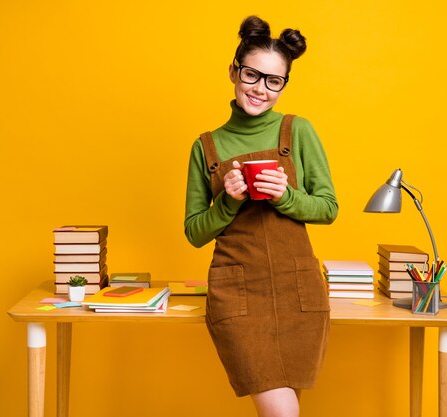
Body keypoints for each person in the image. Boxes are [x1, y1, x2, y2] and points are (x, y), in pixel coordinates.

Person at [184, 15, 338, 417]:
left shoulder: (298, 131)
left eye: (275, 81)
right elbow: (194, 232)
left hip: (297, 289)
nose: (261, 89)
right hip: (238, 294)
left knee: (285, 408)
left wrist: (287, 197)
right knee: (281, 411)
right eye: (252, 75)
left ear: (284, 84)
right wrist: (229, 202)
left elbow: (328, 207)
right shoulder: (207, 146)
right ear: (234, 70)